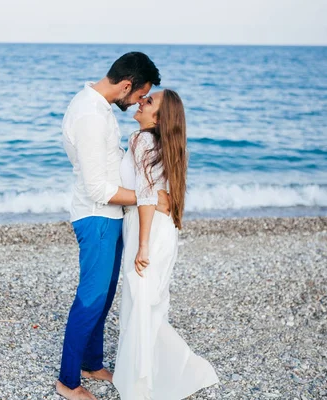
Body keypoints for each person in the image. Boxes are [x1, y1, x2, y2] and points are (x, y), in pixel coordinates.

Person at [57, 52, 168, 400]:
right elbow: (99, 189)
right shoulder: (91, 115)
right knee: (90, 300)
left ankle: (91, 362)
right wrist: (148, 197)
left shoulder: (100, 108)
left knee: (103, 298)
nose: (138, 102)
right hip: (96, 217)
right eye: (139, 95)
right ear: (126, 85)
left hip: (110, 218)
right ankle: (68, 381)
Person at [113, 89, 219, 399]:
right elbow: (159, 196)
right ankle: (152, 374)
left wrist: (142, 244)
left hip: (146, 230)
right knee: (147, 304)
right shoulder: (165, 146)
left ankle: (145, 381)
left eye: (149, 102)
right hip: (162, 232)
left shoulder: (142, 140)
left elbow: (146, 197)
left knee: (141, 302)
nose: (140, 102)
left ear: (158, 118)